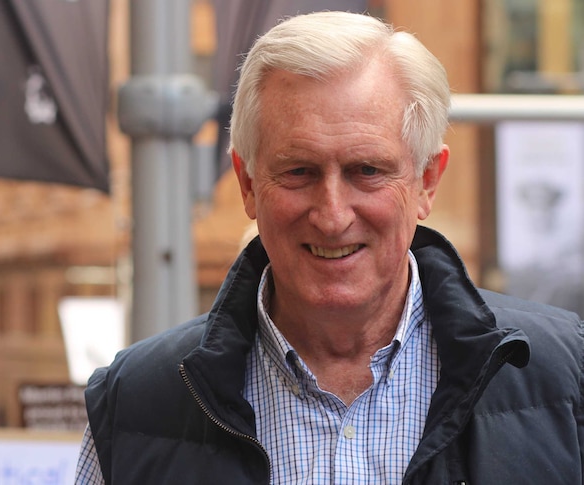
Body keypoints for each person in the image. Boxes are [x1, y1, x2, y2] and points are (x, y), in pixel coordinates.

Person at [76, 11, 584, 484]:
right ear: (248, 183)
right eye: (299, 171)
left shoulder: (566, 380)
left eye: (367, 171)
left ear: (427, 181)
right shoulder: (134, 404)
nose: (333, 215)